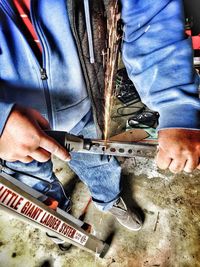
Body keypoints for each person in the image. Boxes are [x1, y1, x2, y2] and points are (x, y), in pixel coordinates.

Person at [0, 0, 199, 235]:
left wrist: (176, 105)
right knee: (34, 191)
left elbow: (151, 14)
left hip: (80, 109)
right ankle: (59, 224)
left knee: (98, 162)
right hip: (8, 139)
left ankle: (109, 198)